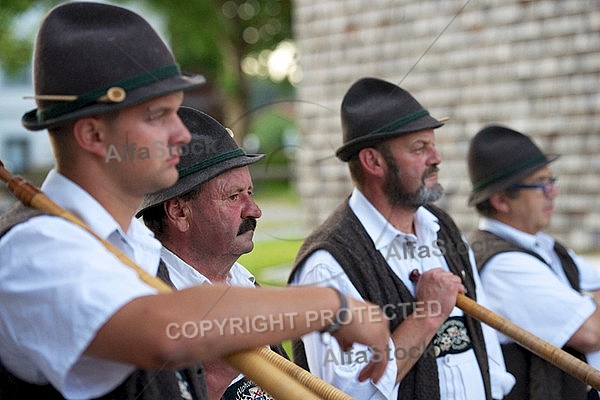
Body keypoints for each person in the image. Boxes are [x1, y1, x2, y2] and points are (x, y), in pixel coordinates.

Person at [0, 3, 390, 399]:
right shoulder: (30, 251)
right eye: (158, 116)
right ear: (93, 136)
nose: (181, 134)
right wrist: (330, 305)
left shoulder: (134, 241)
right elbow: (164, 330)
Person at [288, 77, 515, 400]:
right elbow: (345, 393)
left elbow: (485, 347)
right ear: (374, 162)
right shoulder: (329, 263)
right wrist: (427, 315)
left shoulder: (442, 228)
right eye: (419, 148)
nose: (436, 158)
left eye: (432, 145)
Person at [138, 106, 287, 400]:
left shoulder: (243, 283)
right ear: (180, 212)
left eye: (250, 193)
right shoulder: (148, 306)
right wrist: (214, 379)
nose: (254, 210)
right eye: (234, 197)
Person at [467, 124, 600, 400]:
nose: (553, 193)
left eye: (552, 181)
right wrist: (589, 303)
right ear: (502, 200)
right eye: (541, 184)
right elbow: (591, 332)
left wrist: (591, 302)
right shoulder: (502, 265)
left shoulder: (541, 244)